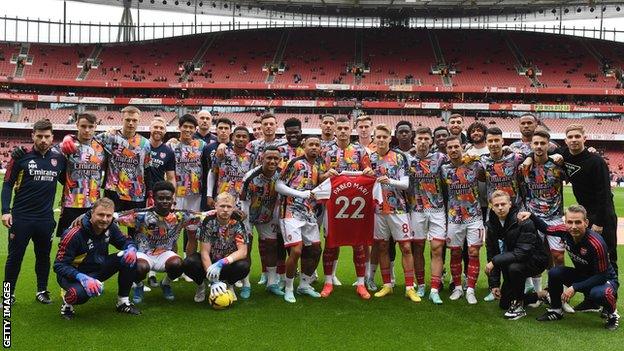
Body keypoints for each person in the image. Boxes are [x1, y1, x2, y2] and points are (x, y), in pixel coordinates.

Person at [520, 205, 619, 330]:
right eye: (569, 222)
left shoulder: (596, 243)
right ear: (565, 222)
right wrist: (531, 215)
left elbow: (601, 276)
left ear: (586, 223)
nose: (573, 227)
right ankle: (556, 310)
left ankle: (613, 314)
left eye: (578, 222)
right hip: (583, 275)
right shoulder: (564, 231)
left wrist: (574, 287)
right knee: (555, 273)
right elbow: (546, 229)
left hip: (604, 279)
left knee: (598, 293)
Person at [2, 119, 67, 305]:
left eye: (47, 136)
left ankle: (42, 291)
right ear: (33, 136)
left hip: (45, 219)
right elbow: (7, 185)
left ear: (52, 137)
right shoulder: (21, 156)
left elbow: (67, 183)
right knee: (14, 257)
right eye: (39, 136)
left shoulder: (59, 159)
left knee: (43, 256)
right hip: (21, 218)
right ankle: (8, 295)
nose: (43, 140)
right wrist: (6, 211)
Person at [115, 181, 204, 303]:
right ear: (154, 198)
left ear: (173, 199)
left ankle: (165, 283)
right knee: (140, 267)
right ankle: (139, 285)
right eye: (161, 198)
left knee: (178, 264)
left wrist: (229, 213)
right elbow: (114, 216)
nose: (165, 201)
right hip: (144, 253)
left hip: (165, 253)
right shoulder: (141, 215)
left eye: (168, 198)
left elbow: (204, 215)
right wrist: (87, 216)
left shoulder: (180, 216)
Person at [54, 198, 140, 319]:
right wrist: (82, 278)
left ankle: (123, 302)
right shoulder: (74, 234)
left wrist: (131, 248)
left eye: (108, 215)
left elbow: (125, 241)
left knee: (129, 256)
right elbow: (59, 265)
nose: (104, 219)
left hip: (98, 268)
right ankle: (67, 304)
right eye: (100, 215)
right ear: (92, 213)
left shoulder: (110, 227)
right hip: (75, 275)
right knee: (77, 295)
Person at [318, 116, 374, 300]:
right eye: (339, 128)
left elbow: (369, 173)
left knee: (358, 243)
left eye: (345, 128)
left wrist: (368, 172)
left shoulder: (360, 151)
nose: (342, 131)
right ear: (335, 129)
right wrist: (326, 174)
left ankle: (360, 284)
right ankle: (328, 282)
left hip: (356, 205)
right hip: (332, 206)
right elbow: (317, 176)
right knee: (331, 243)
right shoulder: (325, 150)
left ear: (351, 130)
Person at [559, 124, 618, 279]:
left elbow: (604, 194)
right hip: (584, 216)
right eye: (570, 137)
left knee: (607, 256)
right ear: (565, 140)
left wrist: (599, 222)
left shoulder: (596, 161)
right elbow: (546, 149)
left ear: (585, 138)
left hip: (602, 215)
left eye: (577, 136)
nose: (574, 140)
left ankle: (609, 297)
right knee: (588, 257)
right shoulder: (565, 155)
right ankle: (590, 298)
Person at [368, 124, 420, 302]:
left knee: (405, 247)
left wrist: (389, 180)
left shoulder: (399, 157)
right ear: (374, 138)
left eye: (384, 137)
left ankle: (409, 287)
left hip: (398, 208)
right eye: (378, 137)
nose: (381, 140)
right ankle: (387, 285)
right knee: (382, 246)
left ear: (390, 139)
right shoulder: (370, 158)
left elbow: (406, 184)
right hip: (378, 210)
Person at [484, 191, 548, 320]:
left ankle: (518, 306)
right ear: (491, 206)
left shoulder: (523, 221)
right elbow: (492, 252)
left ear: (510, 204)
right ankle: (543, 294)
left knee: (514, 267)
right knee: (504, 303)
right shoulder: (491, 225)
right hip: (510, 262)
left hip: (535, 260)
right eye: (496, 205)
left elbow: (522, 253)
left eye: (503, 204)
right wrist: (494, 284)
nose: (500, 208)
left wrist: (495, 261)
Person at [276, 136, 324, 303]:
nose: (314, 148)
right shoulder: (295, 163)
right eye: (311, 144)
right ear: (304, 146)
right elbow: (279, 185)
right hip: (290, 211)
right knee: (296, 250)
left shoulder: (318, 165)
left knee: (316, 250)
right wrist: (300, 194)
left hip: (309, 213)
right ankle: (289, 288)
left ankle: (304, 284)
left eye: (317, 145)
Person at [440, 136, 485, 304]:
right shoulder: (444, 169)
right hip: (454, 218)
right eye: (449, 147)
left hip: (474, 216)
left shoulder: (474, 165)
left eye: (456, 146)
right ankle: (458, 287)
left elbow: (487, 170)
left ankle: (471, 289)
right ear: (446, 151)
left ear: (462, 147)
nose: (453, 150)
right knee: (455, 252)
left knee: (473, 252)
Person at [183, 193, 250, 303]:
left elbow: (243, 251)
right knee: (189, 263)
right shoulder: (208, 221)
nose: (225, 209)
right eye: (222, 206)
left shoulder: (238, 223)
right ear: (215, 206)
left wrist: (223, 262)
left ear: (233, 208)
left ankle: (229, 285)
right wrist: (213, 280)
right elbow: (204, 252)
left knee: (244, 265)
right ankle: (201, 286)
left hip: (226, 263)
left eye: (229, 207)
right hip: (210, 261)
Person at [94, 106, 151, 235]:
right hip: (114, 191)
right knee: (106, 228)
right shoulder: (109, 137)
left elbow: (147, 169)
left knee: (136, 231)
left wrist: (149, 192)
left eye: (134, 120)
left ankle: (134, 254)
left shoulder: (145, 143)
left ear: (139, 121)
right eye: (128, 120)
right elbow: (88, 140)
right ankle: (102, 255)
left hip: (136, 193)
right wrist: (69, 138)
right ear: (122, 119)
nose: (131, 123)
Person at [408, 127, 448, 304]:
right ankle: (421, 285)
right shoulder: (407, 159)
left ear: (431, 141)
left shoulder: (440, 158)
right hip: (416, 210)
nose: (423, 142)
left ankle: (434, 288)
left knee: (437, 249)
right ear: (414, 140)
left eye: (426, 138)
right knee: (417, 248)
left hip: (438, 210)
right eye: (420, 138)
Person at [241, 146, 285, 296]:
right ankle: (246, 284)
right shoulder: (251, 177)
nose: (272, 161)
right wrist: (246, 224)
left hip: (268, 215)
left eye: (275, 158)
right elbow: (243, 201)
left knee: (271, 246)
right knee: (246, 248)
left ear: (279, 160)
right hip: (248, 215)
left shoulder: (281, 175)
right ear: (262, 159)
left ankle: (272, 283)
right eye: (269, 158)